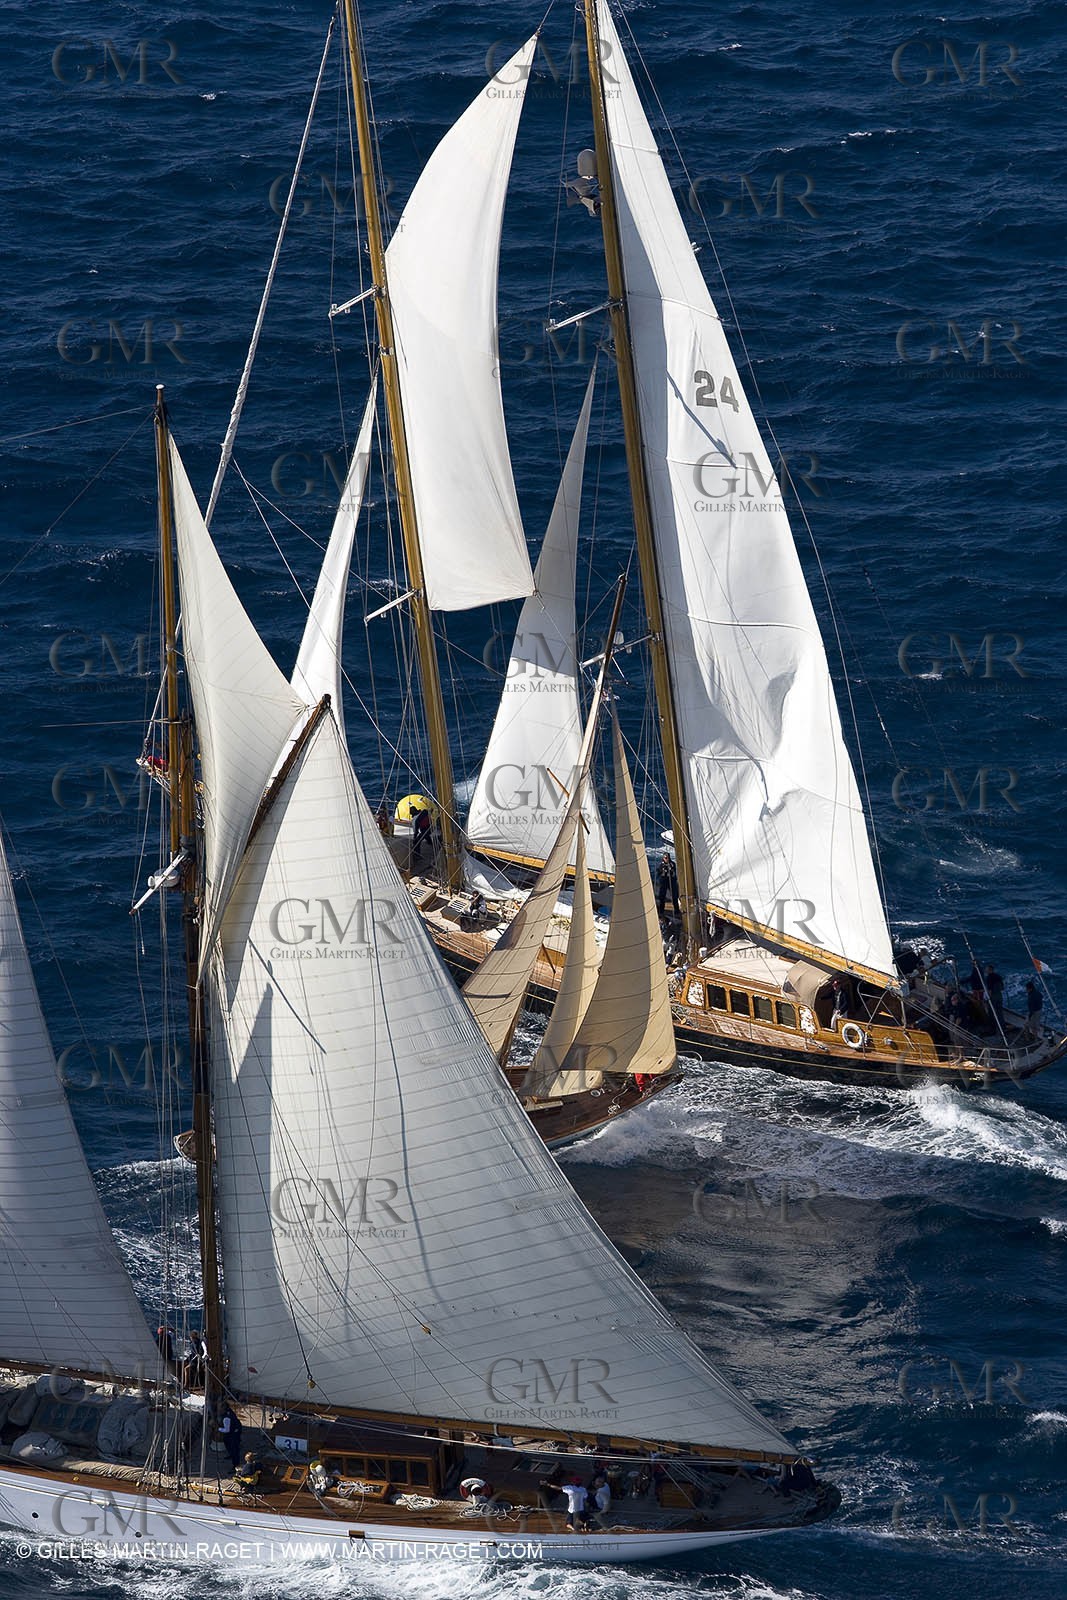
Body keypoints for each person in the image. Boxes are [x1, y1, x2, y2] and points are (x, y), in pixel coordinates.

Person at [218, 1405, 242, 1470]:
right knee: (227, 1443)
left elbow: (227, 1430)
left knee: (234, 1449)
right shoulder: (229, 1412)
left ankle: (236, 1465)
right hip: (234, 1432)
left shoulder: (226, 1418)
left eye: (220, 1408)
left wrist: (218, 1429)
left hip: (233, 1434)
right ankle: (231, 1454)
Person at [655, 851, 679, 917]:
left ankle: (676, 910)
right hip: (663, 881)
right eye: (665, 858)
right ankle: (661, 910)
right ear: (663, 858)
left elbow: (674, 872)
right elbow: (658, 873)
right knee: (662, 896)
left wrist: (671, 870)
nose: (666, 859)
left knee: (674, 896)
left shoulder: (672, 864)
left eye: (667, 858)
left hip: (671, 881)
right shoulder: (661, 865)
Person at [984, 963, 1005, 1029]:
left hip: (993, 997)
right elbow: (1002, 988)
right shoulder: (998, 976)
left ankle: (992, 1028)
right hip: (999, 996)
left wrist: (988, 999)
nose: (986, 970)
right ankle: (1002, 1026)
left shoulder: (989, 978)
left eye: (987, 969)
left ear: (990, 970)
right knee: (1000, 1013)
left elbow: (989, 990)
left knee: (991, 1012)